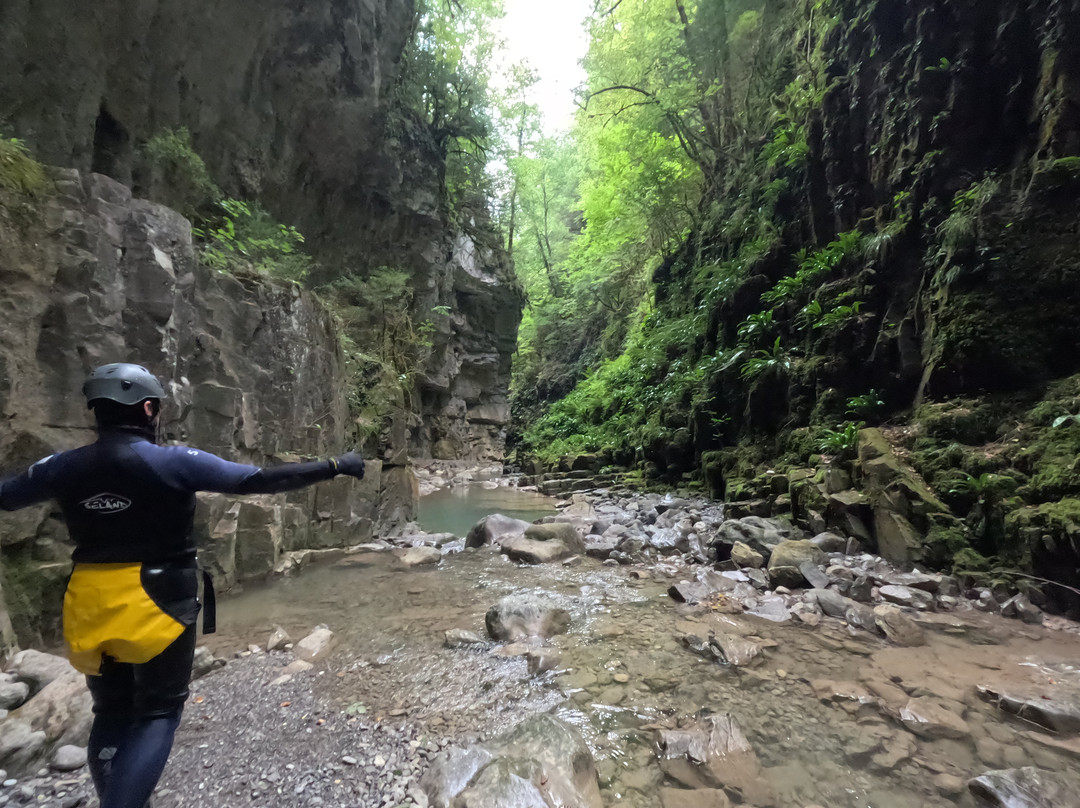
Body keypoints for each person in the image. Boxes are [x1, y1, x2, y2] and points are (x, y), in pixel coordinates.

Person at [0, 363, 366, 808]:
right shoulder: (172, 461)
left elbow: (7, 496)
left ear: (97, 411)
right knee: (157, 713)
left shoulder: (59, 467)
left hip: (87, 601)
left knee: (111, 711)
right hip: (155, 601)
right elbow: (258, 480)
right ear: (149, 408)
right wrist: (335, 466)